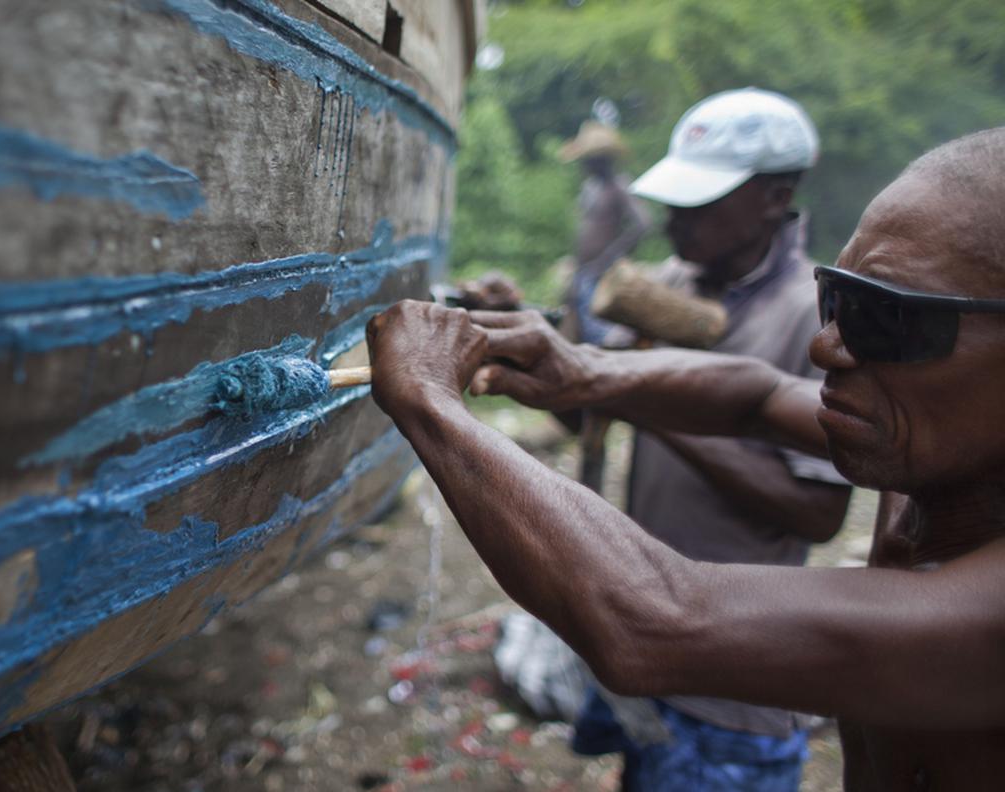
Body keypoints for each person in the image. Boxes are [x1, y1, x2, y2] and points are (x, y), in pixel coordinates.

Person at [364, 126, 1005, 791]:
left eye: (889, 320)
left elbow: (656, 621)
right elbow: (757, 397)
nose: (826, 350)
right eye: (837, 302)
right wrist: (583, 370)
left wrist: (431, 402)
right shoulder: (926, 458)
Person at [562, 88, 854, 789]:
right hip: (643, 636)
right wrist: (544, 353)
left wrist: (648, 397)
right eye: (675, 201)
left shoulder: (811, 321)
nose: (673, 222)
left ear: (773, 197)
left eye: (701, 203)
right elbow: (587, 415)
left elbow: (818, 512)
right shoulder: (673, 284)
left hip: (733, 677)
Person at [558, 120, 649, 345]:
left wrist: (610, 259)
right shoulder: (590, 187)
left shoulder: (618, 186)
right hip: (583, 272)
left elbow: (642, 224)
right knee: (579, 334)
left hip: (601, 274)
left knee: (603, 338)